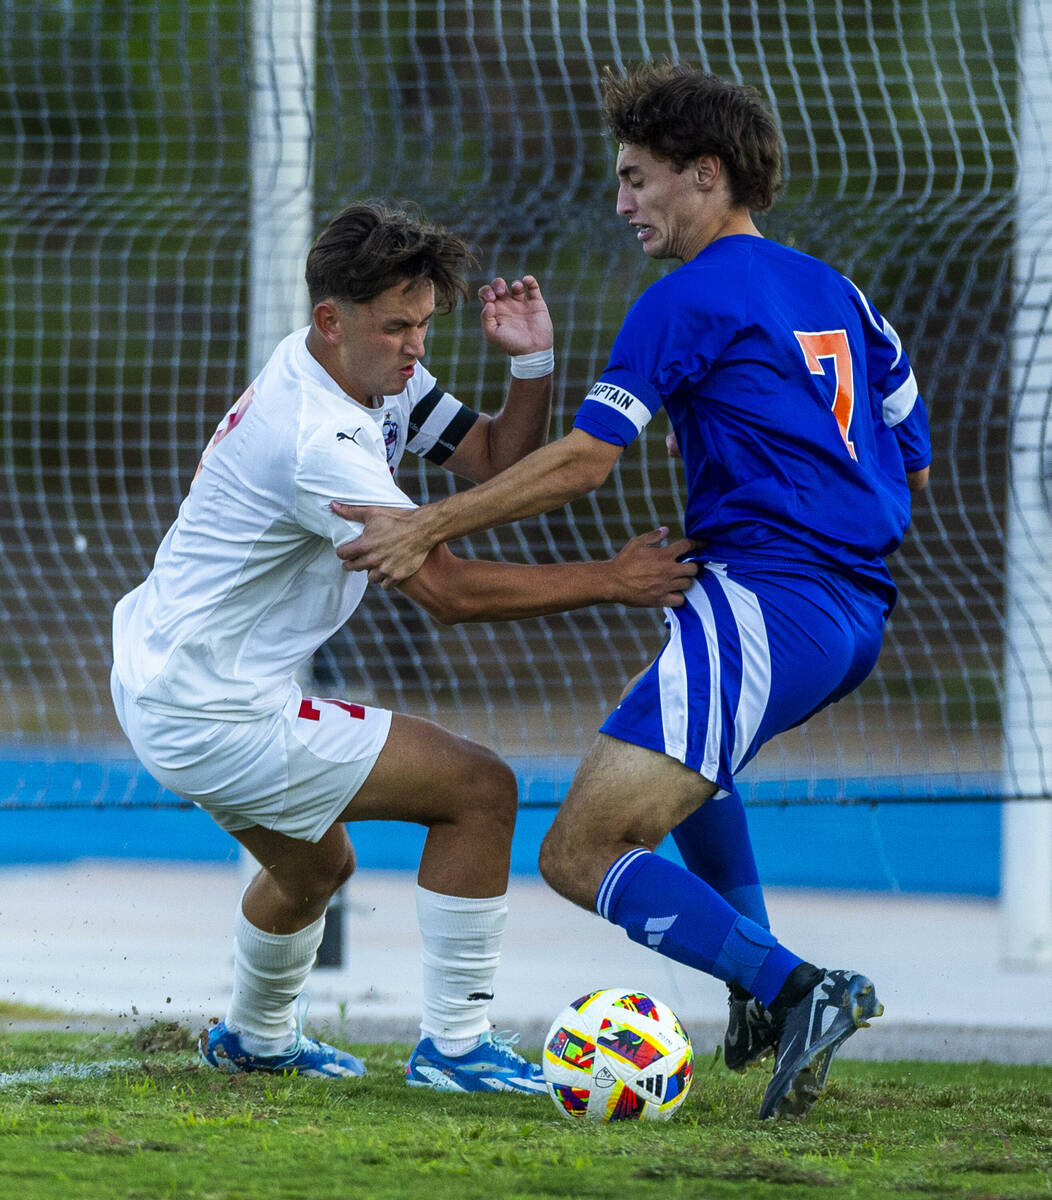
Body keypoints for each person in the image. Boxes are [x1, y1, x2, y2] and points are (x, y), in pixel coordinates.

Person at [333, 67, 933, 1120]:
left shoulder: (685, 299)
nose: (621, 205)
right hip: (849, 611)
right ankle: (758, 995)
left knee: (579, 851)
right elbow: (911, 464)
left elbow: (584, 460)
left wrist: (425, 522)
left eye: (635, 179)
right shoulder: (841, 294)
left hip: (765, 602)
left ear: (704, 175)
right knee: (698, 775)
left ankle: (797, 989)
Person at [110, 200, 697, 1094]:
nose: (417, 347)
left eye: (425, 325)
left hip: (168, 678)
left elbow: (496, 458)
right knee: (479, 788)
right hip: (214, 706)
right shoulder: (321, 437)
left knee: (317, 867)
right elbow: (448, 592)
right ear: (331, 321)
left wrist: (532, 362)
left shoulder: (366, 378)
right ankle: (456, 1048)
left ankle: (255, 1040)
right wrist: (613, 579)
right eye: (397, 328)